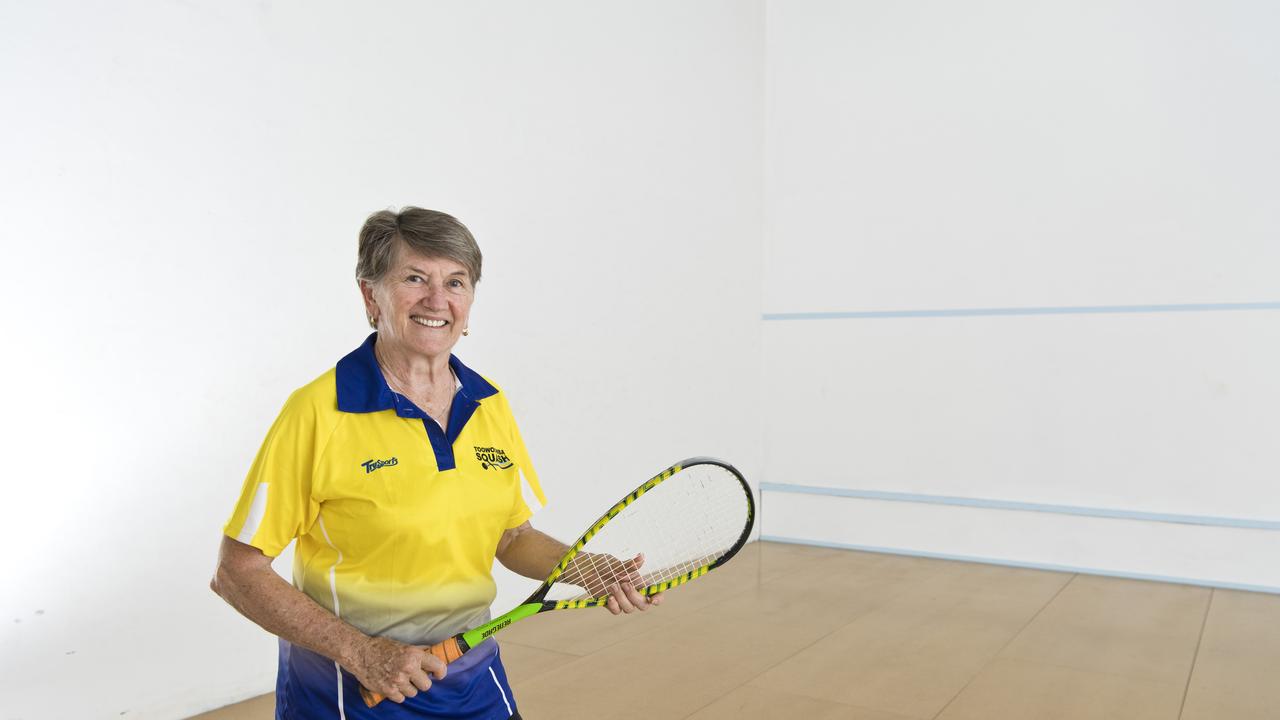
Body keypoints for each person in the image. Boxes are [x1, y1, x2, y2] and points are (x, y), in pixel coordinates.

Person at [211, 207, 660, 719]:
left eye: (456, 282)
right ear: (370, 295)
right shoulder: (317, 412)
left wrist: (589, 570)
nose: (437, 300)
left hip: (471, 677)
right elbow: (236, 570)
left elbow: (510, 536)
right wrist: (363, 653)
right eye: (414, 278)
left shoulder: (489, 404)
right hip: (352, 694)